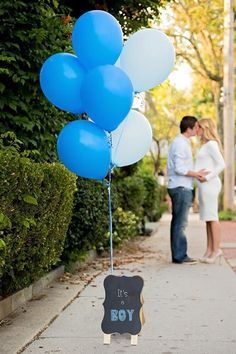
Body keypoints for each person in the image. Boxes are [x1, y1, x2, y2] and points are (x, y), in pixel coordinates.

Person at [167, 116, 207, 264]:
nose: (198, 130)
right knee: (181, 223)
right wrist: (196, 174)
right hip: (180, 187)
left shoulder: (183, 142)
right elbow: (179, 168)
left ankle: (178, 254)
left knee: (177, 222)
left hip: (180, 186)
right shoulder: (180, 143)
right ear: (189, 129)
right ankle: (180, 255)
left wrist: (195, 172)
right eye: (196, 127)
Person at [195, 118, 225, 264]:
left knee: (213, 217)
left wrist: (207, 178)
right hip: (203, 186)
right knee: (208, 218)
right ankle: (209, 249)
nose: (196, 130)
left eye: (198, 127)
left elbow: (221, 164)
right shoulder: (205, 145)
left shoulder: (212, 144)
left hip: (210, 185)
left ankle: (216, 250)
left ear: (204, 127)